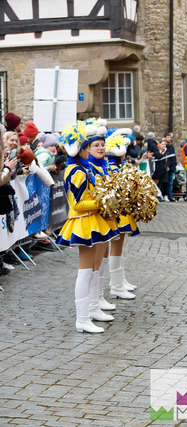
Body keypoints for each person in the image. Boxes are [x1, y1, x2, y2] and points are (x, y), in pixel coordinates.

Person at [56, 120, 120, 333]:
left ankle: (92, 309)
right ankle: (82, 319)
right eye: (87, 147)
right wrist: (103, 202)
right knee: (85, 272)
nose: (89, 150)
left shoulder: (82, 168)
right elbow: (77, 204)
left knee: (93, 269)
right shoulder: (77, 171)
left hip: (92, 220)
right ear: (80, 150)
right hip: (83, 222)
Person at [105, 129, 138, 303]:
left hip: (122, 212)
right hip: (119, 213)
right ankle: (116, 286)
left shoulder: (117, 166)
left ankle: (119, 281)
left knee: (119, 248)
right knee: (116, 248)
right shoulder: (113, 168)